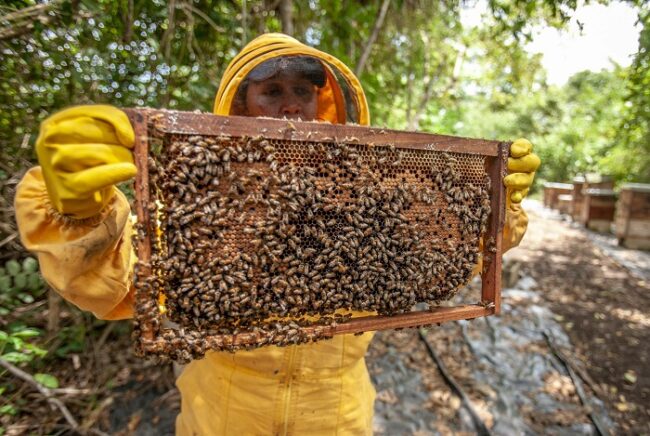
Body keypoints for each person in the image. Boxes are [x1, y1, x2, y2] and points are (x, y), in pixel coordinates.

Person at [14, 33, 540, 435]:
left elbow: (436, 261)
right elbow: (117, 284)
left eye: (302, 93)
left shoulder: (371, 194)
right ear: (240, 107)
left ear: (324, 103)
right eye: (271, 92)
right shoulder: (206, 204)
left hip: (337, 417)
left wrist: (493, 210)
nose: (290, 108)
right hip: (222, 416)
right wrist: (79, 214)